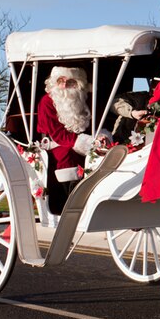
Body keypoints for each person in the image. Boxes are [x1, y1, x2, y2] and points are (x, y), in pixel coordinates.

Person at [37, 66, 106, 213]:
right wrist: (87, 143)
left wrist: (98, 138)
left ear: (79, 84)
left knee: (103, 155)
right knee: (67, 156)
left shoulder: (85, 100)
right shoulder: (47, 102)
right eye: (60, 81)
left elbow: (96, 123)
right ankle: (68, 204)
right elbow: (58, 135)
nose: (64, 86)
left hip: (84, 141)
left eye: (70, 82)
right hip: (55, 144)